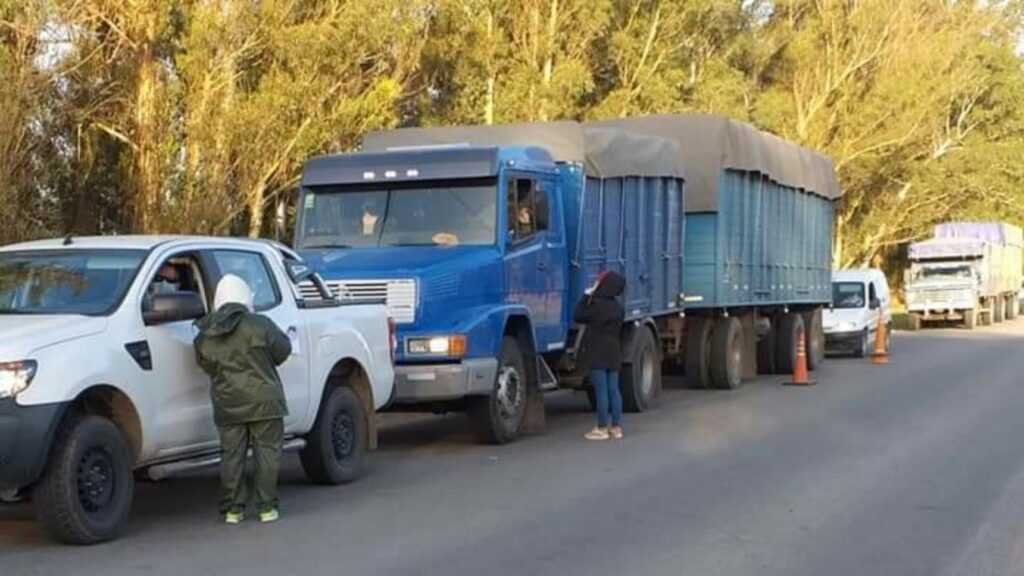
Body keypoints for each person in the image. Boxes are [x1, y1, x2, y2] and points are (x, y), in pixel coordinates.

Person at [193, 274, 292, 525]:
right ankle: (267, 508)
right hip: (266, 401)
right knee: (267, 454)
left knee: (231, 456)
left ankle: (232, 511)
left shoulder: (204, 334)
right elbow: (283, 351)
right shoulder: (262, 324)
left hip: (228, 404)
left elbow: (207, 365)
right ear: (246, 297)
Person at [574, 271, 626, 440]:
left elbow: (578, 316)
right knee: (614, 389)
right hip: (614, 349)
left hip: (597, 350)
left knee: (601, 390)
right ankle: (616, 427)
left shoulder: (595, 304)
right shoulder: (619, 308)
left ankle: (602, 428)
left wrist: (586, 295)